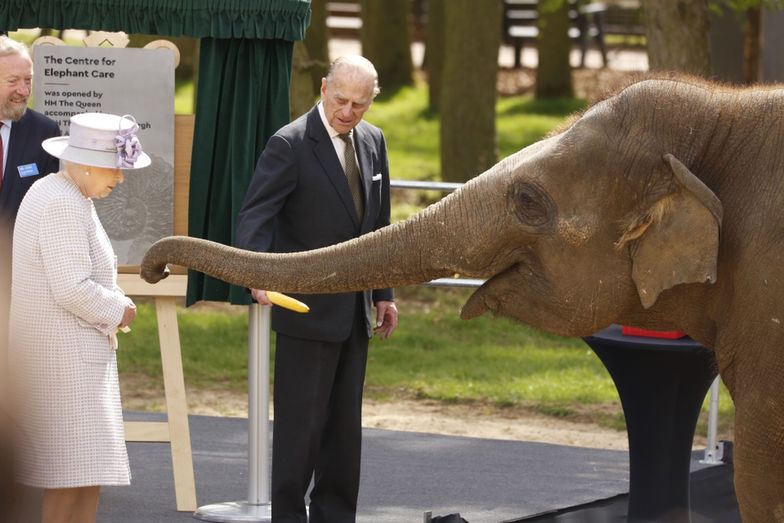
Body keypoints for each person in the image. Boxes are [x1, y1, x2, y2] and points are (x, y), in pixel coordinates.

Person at [236, 55, 399, 522]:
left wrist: (383, 293)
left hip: (355, 314)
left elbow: (378, 228)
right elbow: (255, 216)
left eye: (360, 105)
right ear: (323, 87)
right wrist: (258, 274)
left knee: (345, 435)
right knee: (299, 435)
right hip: (305, 313)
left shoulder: (373, 141)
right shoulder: (288, 144)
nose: (348, 112)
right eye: (340, 100)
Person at [9, 112, 150, 523]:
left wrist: (116, 303)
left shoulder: (66, 194)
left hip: (69, 361)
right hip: (63, 363)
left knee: (84, 477)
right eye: (115, 169)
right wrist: (121, 310)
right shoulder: (61, 201)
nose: (120, 180)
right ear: (86, 162)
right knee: (69, 479)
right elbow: (72, 287)